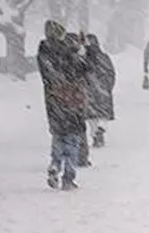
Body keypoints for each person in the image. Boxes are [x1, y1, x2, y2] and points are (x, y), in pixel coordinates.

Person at [37, 20, 88, 190]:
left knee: (58, 136)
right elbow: (83, 69)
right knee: (72, 140)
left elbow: (49, 75)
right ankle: (68, 178)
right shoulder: (69, 51)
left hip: (53, 101)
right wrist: (81, 50)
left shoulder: (44, 51)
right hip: (72, 100)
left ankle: (55, 165)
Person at [83, 34, 116, 149]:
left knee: (92, 116)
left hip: (89, 90)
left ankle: (95, 133)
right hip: (103, 90)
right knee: (103, 114)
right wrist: (108, 87)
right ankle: (101, 129)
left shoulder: (84, 58)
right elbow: (111, 73)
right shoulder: (104, 57)